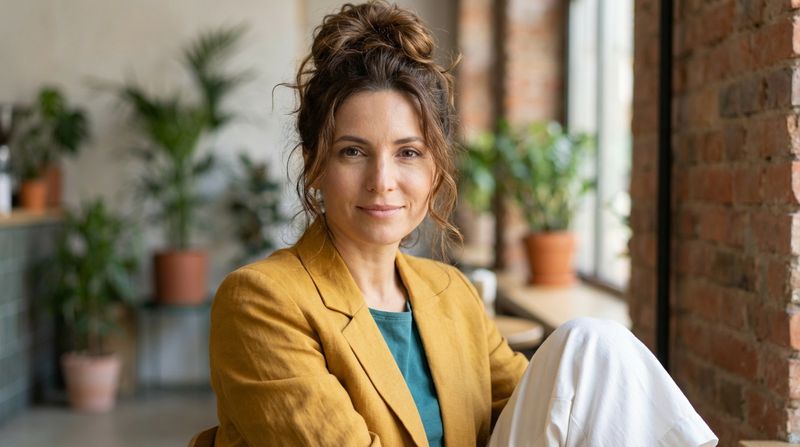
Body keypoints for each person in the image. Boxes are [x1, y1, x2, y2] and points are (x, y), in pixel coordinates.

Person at [208, 2, 718, 446]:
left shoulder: (451, 293)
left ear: (436, 170)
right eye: (352, 152)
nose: (382, 181)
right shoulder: (260, 301)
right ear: (316, 165)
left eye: (408, 152)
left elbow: (551, 408)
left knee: (594, 345)